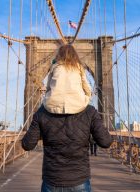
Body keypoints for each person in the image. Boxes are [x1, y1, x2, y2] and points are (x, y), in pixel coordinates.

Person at [22, 44, 113, 192]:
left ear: (53, 79)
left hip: (51, 181)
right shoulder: (89, 112)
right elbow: (106, 142)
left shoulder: (42, 112)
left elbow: (27, 145)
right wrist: (88, 133)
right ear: (80, 79)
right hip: (79, 182)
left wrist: (43, 130)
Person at [43, 44, 92, 114]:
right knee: (92, 112)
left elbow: (48, 88)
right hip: (77, 105)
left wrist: (49, 98)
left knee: (40, 111)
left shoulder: (54, 67)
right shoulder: (79, 67)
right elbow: (86, 87)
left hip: (53, 106)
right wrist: (87, 97)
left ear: (59, 55)